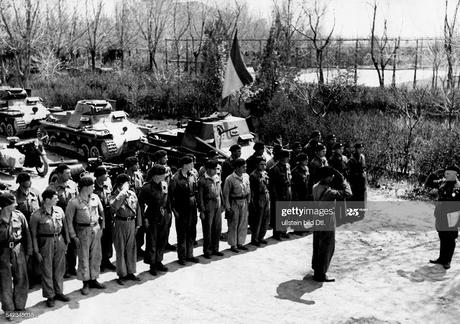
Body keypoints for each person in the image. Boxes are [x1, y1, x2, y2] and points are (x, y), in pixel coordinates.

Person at [30, 189, 70, 307]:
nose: (57, 199)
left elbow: (65, 227)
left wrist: (66, 242)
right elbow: (33, 235)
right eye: (55, 198)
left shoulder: (59, 210)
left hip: (59, 241)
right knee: (47, 270)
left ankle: (59, 292)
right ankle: (50, 296)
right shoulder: (36, 215)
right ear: (47, 200)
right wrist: (36, 251)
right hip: (45, 244)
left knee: (59, 269)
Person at [66, 177, 106, 295]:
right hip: (82, 231)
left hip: (95, 229)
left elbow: (101, 212)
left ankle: (94, 279)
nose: (93, 188)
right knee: (84, 257)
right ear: (85, 187)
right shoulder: (74, 202)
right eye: (92, 186)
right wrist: (74, 236)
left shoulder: (95, 197)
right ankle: (85, 282)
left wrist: (102, 227)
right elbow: (69, 221)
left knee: (96, 255)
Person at [311, 166, 352, 282]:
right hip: (327, 219)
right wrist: (344, 180)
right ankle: (321, 274)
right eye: (331, 176)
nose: (332, 177)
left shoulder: (315, 187)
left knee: (317, 245)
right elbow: (348, 193)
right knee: (327, 246)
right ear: (326, 178)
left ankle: (316, 270)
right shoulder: (329, 192)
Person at [0, 192, 32, 319]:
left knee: (22, 278)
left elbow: (27, 234)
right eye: (13, 203)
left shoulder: (19, 216)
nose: (16, 204)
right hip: (2, 252)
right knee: (5, 282)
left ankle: (20, 305)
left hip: (18, 249)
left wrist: (29, 251)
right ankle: (9, 310)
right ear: (6, 206)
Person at [138, 165, 171, 276]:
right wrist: (144, 219)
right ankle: (152, 264)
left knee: (162, 240)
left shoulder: (164, 185)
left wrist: (169, 212)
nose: (165, 176)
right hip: (152, 216)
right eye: (163, 175)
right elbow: (141, 205)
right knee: (152, 241)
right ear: (156, 175)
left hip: (163, 216)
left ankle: (159, 261)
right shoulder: (146, 188)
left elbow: (168, 199)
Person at [47, 163, 78, 278]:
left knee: (73, 245)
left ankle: (72, 267)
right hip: (59, 221)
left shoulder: (73, 185)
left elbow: (77, 200)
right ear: (59, 174)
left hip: (72, 219)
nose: (70, 175)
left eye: (70, 173)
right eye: (67, 173)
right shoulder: (52, 188)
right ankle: (62, 270)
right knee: (61, 245)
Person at [110, 174, 141, 285]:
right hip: (120, 223)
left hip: (131, 222)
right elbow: (113, 208)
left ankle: (131, 272)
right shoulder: (114, 195)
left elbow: (138, 208)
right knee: (121, 249)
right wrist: (122, 193)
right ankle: (122, 274)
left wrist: (138, 225)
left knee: (131, 248)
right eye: (127, 182)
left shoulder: (132, 194)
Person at [427, 165, 460, 270]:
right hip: (441, 214)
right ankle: (441, 258)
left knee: (450, 238)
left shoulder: (458, 186)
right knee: (442, 236)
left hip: (452, 215)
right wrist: (434, 173)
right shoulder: (442, 182)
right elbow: (428, 183)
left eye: (449, 173)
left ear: (455, 174)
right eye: (445, 173)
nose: (446, 174)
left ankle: (447, 261)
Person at [169, 156, 199, 265]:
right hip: (181, 208)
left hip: (192, 207)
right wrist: (175, 211)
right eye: (190, 163)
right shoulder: (175, 178)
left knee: (191, 231)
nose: (192, 165)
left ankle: (190, 254)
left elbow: (195, 191)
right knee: (182, 233)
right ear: (185, 165)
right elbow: (171, 197)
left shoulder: (193, 175)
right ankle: (182, 257)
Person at [13, 172, 42, 286]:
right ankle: (28, 279)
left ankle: (38, 276)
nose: (30, 182)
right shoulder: (15, 195)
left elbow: (42, 207)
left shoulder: (35, 193)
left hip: (36, 228)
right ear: (21, 182)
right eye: (27, 180)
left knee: (37, 252)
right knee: (26, 255)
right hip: (23, 230)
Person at [198, 159, 224, 259]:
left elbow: (220, 191)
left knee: (217, 228)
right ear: (208, 169)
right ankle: (207, 250)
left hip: (217, 204)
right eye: (213, 169)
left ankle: (215, 249)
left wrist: (222, 204)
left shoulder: (217, 177)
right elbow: (200, 197)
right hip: (208, 205)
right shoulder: (202, 180)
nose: (215, 170)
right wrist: (202, 210)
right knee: (207, 229)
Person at [223, 158, 251, 253]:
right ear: (237, 168)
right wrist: (228, 208)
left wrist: (249, 201)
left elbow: (248, 189)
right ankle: (233, 244)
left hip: (244, 202)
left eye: (246, 166)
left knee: (243, 223)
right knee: (234, 224)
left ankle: (240, 243)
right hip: (234, 202)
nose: (245, 168)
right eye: (243, 167)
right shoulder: (230, 179)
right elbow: (225, 195)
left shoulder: (246, 176)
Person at [93, 166, 115, 271]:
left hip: (108, 215)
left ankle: (107, 260)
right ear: (100, 176)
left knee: (108, 238)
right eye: (105, 174)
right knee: (99, 240)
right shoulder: (92, 188)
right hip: (98, 216)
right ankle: (100, 262)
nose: (107, 176)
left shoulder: (108, 185)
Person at [268, 149, 292, 240]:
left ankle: (284, 231)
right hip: (279, 193)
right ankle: (277, 233)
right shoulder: (274, 169)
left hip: (287, 191)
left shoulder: (288, 166)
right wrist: (276, 196)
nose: (288, 158)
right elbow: (272, 185)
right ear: (282, 157)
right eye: (287, 157)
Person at [249, 157, 270, 246]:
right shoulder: (253, 175)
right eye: (261, 164)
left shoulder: (265, 173)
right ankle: (255, 239)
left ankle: (261, 237)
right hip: (258, 197)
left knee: (265, 218)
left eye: (264, 164)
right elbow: (253, 190)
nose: (263, 166)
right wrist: (253, 202)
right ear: (257, 165)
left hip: (266, 195)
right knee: (257, 219)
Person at [348, 143, 367, 219]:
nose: (361, 150)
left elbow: (364, 167)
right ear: (355, 149)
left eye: (362, 148)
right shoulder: (351, 158)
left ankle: (361, 213)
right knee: (354, 196)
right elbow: (350, 171)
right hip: (354, 179)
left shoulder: (362, 157)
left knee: (362, 196)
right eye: (359, 148)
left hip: (361, 179)